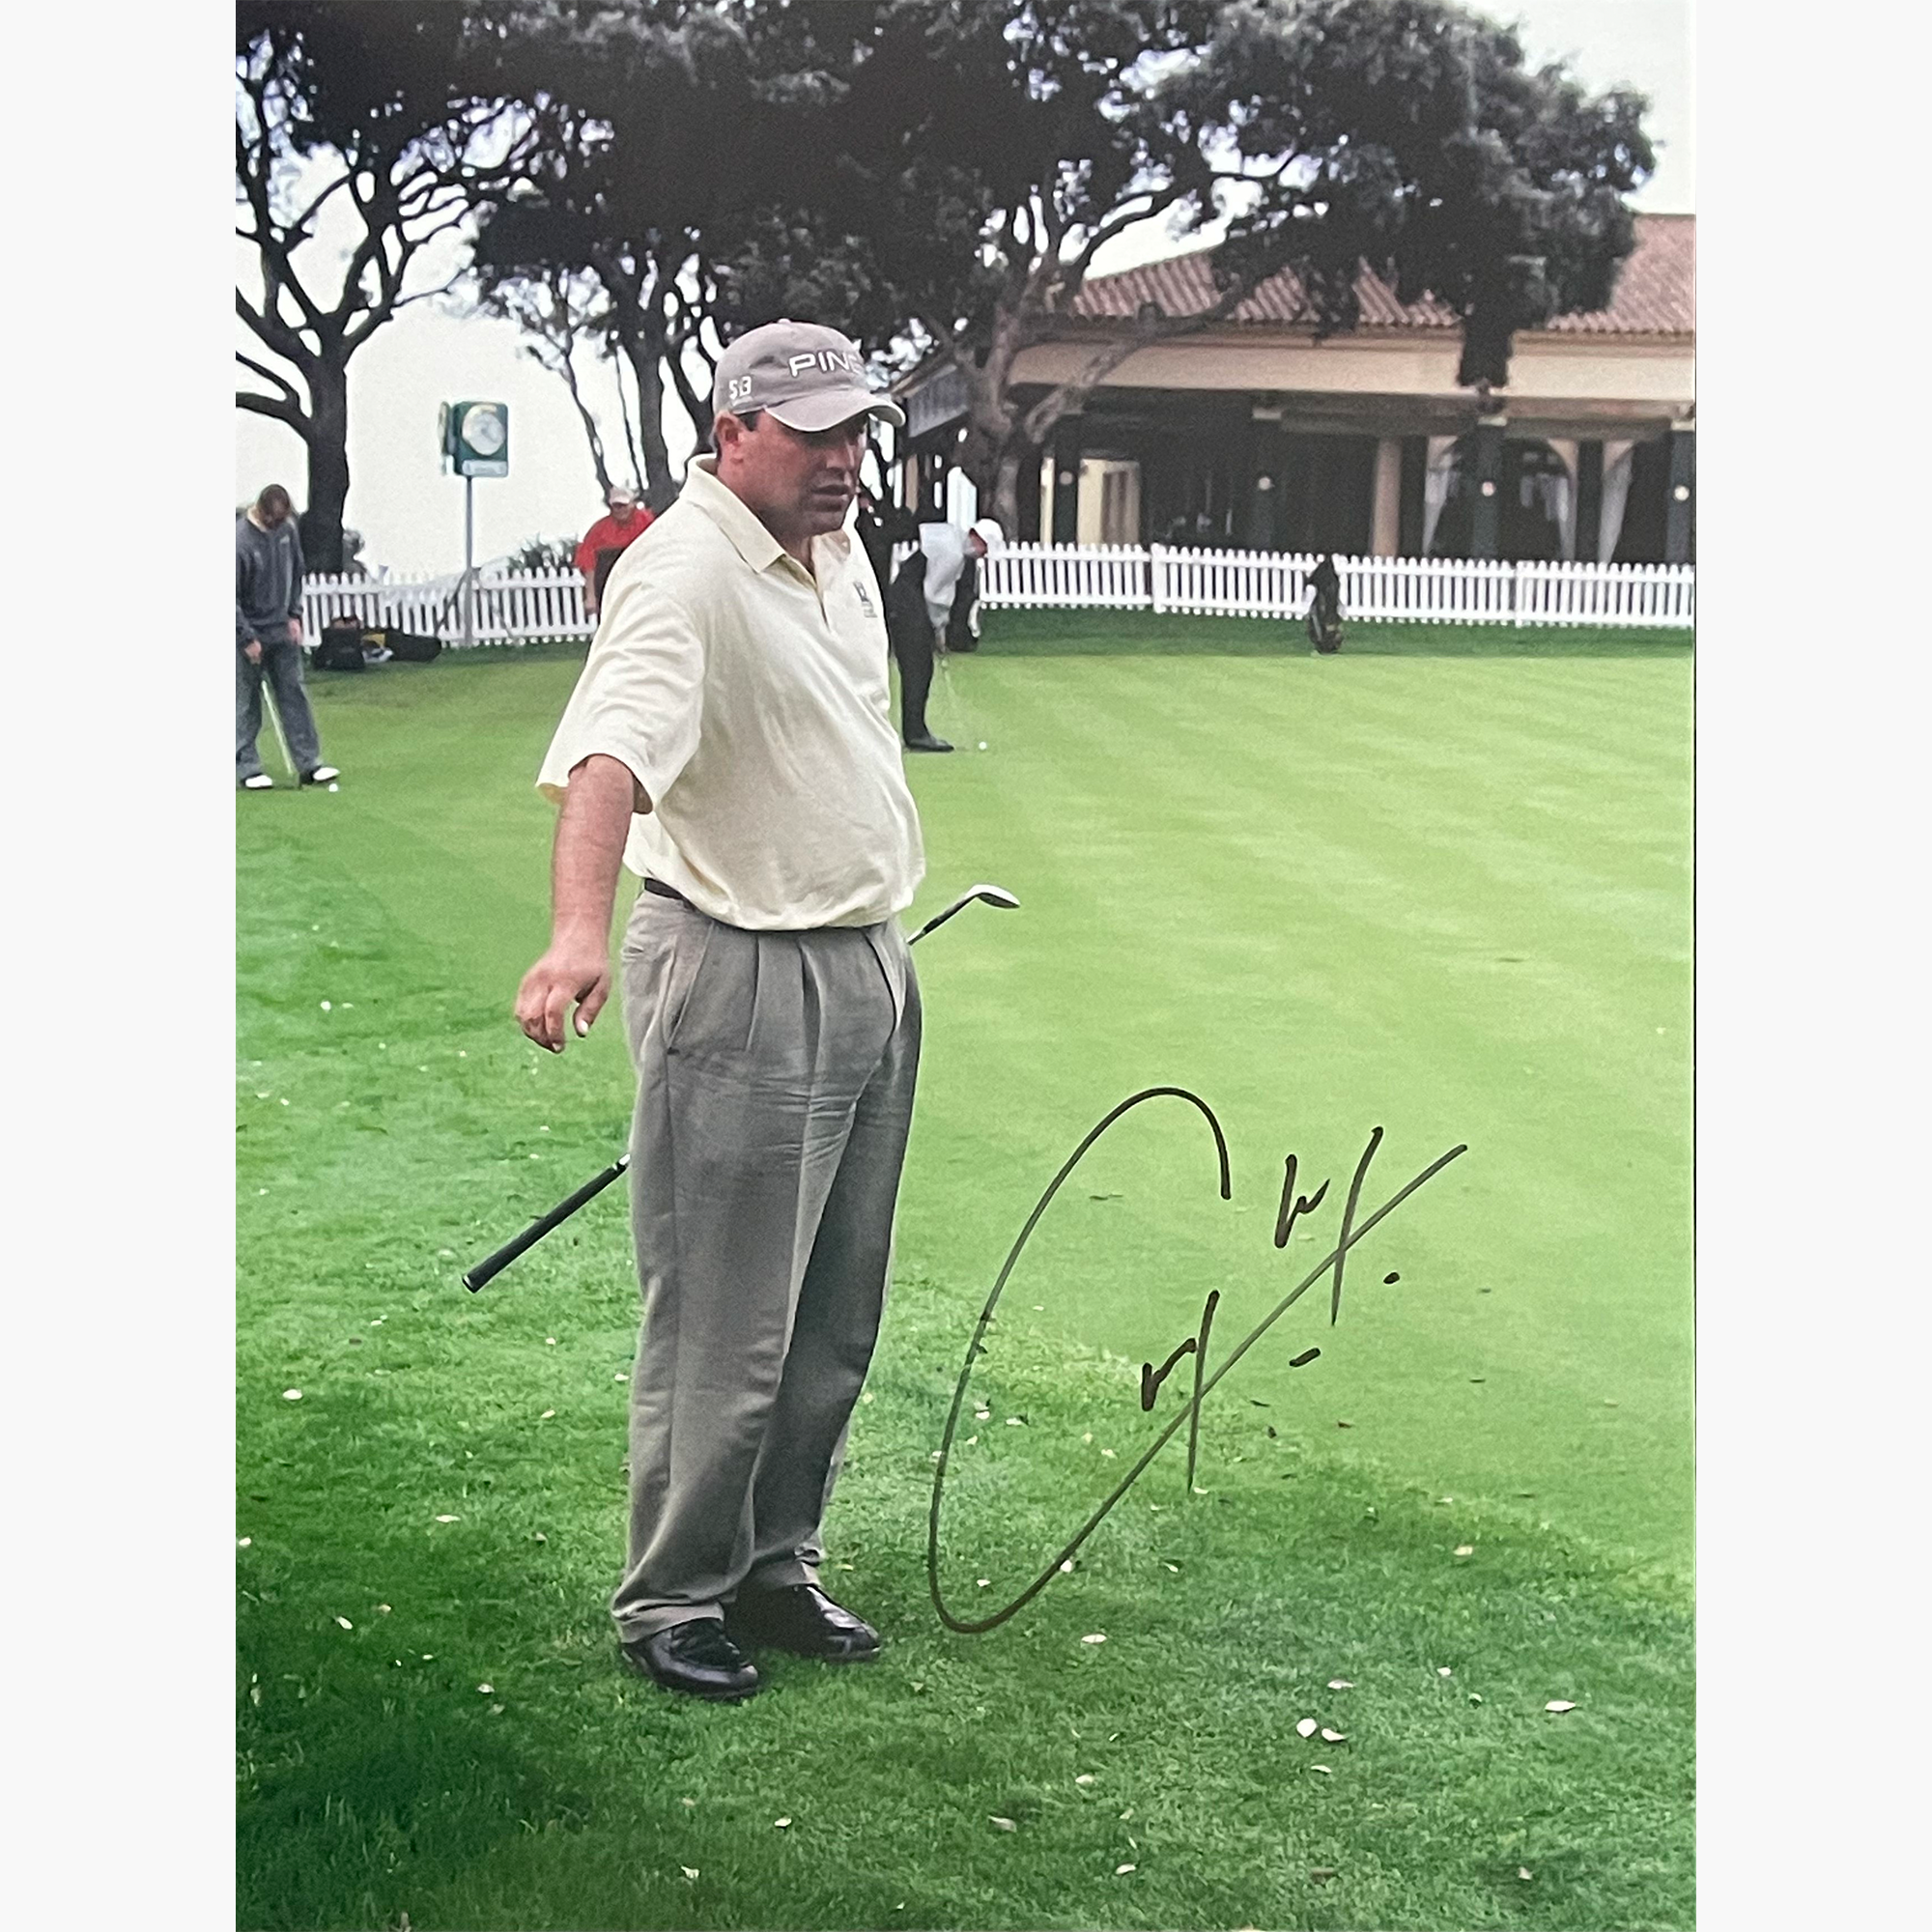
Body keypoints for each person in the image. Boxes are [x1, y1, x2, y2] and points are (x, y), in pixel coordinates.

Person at [515, 319, 923, 1704]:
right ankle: (673, 1595)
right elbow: (610, 755)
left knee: (831, 1312)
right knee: (726, 1322)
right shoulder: (682, 570)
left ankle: (773, 1561)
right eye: (813, 434)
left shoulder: (837, 549)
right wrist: (577, 932)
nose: (843, 459)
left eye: (856, 430)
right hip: (739, 968)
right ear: (733, 429)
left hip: (865, 954)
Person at [236, 485, 339, 790]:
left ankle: (309, 764)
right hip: (249, 632)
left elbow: (297, 573)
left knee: (294, 694)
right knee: (246, 702)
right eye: (273, 522)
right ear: (261, 512)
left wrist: (295, 614)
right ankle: (248, 767)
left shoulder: (287, 530)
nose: (277, 527)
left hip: (282, 629)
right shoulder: (239, 543)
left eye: (282, 522)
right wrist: (246, 638)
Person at [882, 516, 1005, 753]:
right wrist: (938, 627)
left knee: (919, 668)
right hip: (908, 600)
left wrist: (937, 627)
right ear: (977, 538)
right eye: (984, 549)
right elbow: (934, 594)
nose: (983, 555)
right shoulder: (954, 553)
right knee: (918, 668)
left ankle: (916, 731)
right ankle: (916, 734)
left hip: (909, 599)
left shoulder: (955, 545)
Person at [574, 484, 656, 620]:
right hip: (608, 587)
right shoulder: (599, 530)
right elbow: (588, 563)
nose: (620, 510)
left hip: (641, 583)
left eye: (623, 505)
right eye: (616, 506)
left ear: (633, 504)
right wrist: (590, 597)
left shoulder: (647, 523)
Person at [1307, 553, 1344, 654]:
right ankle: (1328, 644)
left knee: (1324, 619)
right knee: (1327, 620)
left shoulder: (1323, 572)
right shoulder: (1329, 574)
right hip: (1328, 600)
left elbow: (1311, 581)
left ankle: (1325, 643)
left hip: (1326, 599)